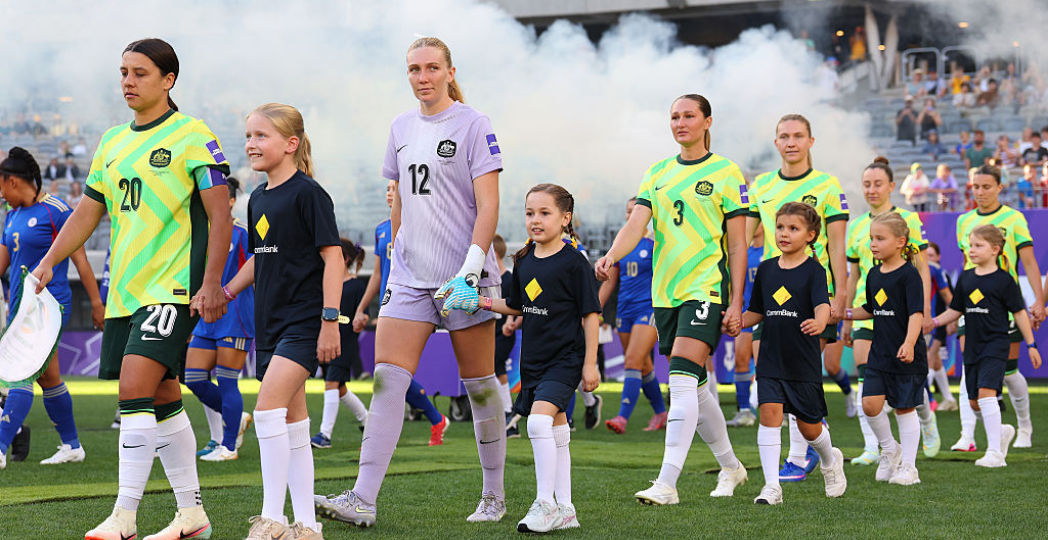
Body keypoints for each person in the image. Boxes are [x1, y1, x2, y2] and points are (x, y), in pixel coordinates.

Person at [31, 38, 233, 540]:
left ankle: (124, 516)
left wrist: (211, 284)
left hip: (172, 287)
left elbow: (221, 212)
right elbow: (86, 213)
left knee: (134, 390)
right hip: (124, 290)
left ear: (168, 80)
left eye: (140, 73)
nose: (128, 81)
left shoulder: (193, 135)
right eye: (123, 72)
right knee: (163, 396)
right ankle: (192, 514)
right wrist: (49, 261)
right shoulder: (112, 141)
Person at [315, 37, 508, 528]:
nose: (422, 77)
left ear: (449, 71)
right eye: (414, 69)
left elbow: (489, 205)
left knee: (481, 387)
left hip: (463, 278)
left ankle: (493, 495)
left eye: (431, 68)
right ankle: (363, 498)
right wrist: (397, 253)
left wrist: (471, 269)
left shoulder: (473, 123)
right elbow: (398, 197)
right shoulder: (400, 127)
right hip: (410, 278)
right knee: (386, 381)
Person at [596, 94, 748, 505]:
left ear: (707, 121)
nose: (680, 123)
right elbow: (636, 224)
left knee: (679, 378)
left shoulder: (726, 171)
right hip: (664, 295)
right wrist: (611, 254)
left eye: (689, 116)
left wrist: (734, 302)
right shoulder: (657, 172)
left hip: (705, 288)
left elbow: (737, 245)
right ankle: (732, 468)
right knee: (695, 388)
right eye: (675, 116)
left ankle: (666, 483)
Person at [221, 103, 342, 540]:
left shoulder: (309, 194)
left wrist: (330, 320)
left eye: (261, 136)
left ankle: (271, 519)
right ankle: (307, 528)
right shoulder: (258, 199)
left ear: (291, 144)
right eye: (249, 136)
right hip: (268, 324)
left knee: (266, 412)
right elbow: (259, 257)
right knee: (293, 425)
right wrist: (227, 291)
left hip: (305, 321)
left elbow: (334, 258)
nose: (251, 144)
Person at [473, 183, 600, 532]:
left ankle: (545, 504)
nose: (536, 220)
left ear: (565, 218)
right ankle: (567, 510)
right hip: (534, 360)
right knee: (555, 427)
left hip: (566, 359)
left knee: (537, 423)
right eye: (530, 213)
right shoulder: (523, 259)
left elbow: (591, 314)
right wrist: (478, 301)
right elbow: (515, 305)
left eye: (545, 213)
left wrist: (590, 363)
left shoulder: (575, 262)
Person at [747, 114, 851, 483]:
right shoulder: (760, 185)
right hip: (768, 291)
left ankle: (801, 454)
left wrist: (839, 294)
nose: (791, 142)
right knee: (770, 379)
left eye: (798, 136)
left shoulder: (827, 185)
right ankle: (795, 459)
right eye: (784, 136)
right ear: (776, 143)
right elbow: (742, 240)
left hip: (810, 297)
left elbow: (837, 245)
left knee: (798, 377)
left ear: (810, 141)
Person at [0, 147, 104, 469]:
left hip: (48, 305)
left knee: (20, 374)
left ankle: (1, 447)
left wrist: (97, 304)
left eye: (0, 185)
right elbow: (3, 262)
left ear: (13, 181)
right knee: (49, 378)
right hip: (19, 306)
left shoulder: (56, 210)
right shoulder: (11, 214)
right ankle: (72, 445)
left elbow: (82, 261)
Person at [744, 202, 847, 505]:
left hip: (801, 360)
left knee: (809, 425)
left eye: (793, 228)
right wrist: (735, 320)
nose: (784, 234)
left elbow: (823, 303)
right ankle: (772, 487)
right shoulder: (765, 269)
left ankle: (830, 460)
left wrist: (820, 319)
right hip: (770, 357)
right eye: (780, 227)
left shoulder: (815, 270)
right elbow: (756, 311)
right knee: (769, 416)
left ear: (811, 235)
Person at [842, 157, 937, 467]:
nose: (871, 189)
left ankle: (925, 419)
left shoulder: (908, 221)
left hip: (902, 314)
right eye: (866, 184)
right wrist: (844, 313)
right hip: (869, 311)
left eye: (877, 183)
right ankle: (878, 449)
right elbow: (854, 275)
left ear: (892, 187)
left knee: (904, 390)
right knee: (868, 384)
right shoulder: (857, 226)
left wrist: (921, 310)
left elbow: (921, 268)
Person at [351, 180, 451, 446]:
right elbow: (378, 273)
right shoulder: (382, 230)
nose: (389, 193)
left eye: (394, 189)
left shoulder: (420, 226)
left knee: (392, 371)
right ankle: (434, 419)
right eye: (386, 189)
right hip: (388, 305)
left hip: (413, 304)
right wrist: (362, 307)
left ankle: (417, 423)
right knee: (388, 371)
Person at [932, 225, 1041, 467]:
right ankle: (1001, 431)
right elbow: (956, 309)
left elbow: (1020, 313)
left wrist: (1031, 345)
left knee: (986, 395)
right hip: (972, 346)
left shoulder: (1004, 280)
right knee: (974, 402)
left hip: (996, 345)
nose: (971, 250)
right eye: (970, 245)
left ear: (995, 249)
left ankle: (994, 453)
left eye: (978, 245)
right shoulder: (967, 278)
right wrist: (935, 322)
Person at [952, 164, 1044, 451]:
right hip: (973, 306)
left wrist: (1039, 301)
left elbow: (1028, 262)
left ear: (999, 188)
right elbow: (968, 264)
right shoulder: (964, 221)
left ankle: (1024, 425)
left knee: (1008, 369)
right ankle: (967, 436)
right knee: (970, 365)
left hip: (1004, 306)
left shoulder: (1014, 219)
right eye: (976, 187)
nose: (980, 192)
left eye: (986, 187)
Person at [844, 212, 928, 486]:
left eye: (880, 238)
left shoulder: (909, 275)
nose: (873, 243)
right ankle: (890, 449)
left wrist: (909, 342)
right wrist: (843, 314)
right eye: (871, 238)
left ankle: (909, 468)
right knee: (869, 405)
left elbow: (917, 314)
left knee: (904, 408)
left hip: (906, 353)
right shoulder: (872, 273)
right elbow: (871, 309)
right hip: (879, 353)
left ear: (900, 242)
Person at [182, 176, 255, 462]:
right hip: (205, 316)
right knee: (194, 379)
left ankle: (228, 446)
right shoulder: (202, 232)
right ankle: (236, 419)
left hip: (234, 313)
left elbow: (255, 267)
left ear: (232, 201)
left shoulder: (242, 232)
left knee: (227, 381)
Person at [598, 197, 667, 434]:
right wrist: (596, 307)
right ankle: (661, 413)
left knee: (632, 361)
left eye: (635, 211)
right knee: (644, 365)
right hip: (624, 311)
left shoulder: (656, 242)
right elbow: (610, 281)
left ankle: (622, 417)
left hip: (648, 309)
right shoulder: (622, 242)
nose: (630, 216)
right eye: (628, 211)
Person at [310, 239, 370, 450]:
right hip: (326, 342)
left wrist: (361, 320)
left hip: (345, 343)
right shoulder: (326, 284)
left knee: (331, 384)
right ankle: (368, 421)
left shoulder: (356, 286)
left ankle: (324, 435)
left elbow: (363, 315)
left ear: (344, 259)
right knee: (340, 388)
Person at [726, 219, 764, 427]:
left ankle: (782, 411)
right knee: (741, 359)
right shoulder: (744, 253)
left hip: (767, 315)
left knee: (763, 365)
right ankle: (744, 411)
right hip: (745, 314)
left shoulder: (770, 252)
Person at [492, 234, 520, 438]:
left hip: (504, 332)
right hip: (490, 331)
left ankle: (508, 412)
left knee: (495, 364)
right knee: (494, 368)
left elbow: (517, 305)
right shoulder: (487, 280)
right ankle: (505, 413)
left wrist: (511, 322)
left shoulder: (510, 278)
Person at [925, 242, 958, 411]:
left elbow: (950, 298)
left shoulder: (939, 273)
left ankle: (924, 401)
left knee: (929, 359)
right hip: (925, 323)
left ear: (938, 257)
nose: (928, 259)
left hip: (936, 323)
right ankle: (949, 399)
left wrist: (953, 320)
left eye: (931, 255)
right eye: (926, 255)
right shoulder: (918, 270)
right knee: (935, 361)